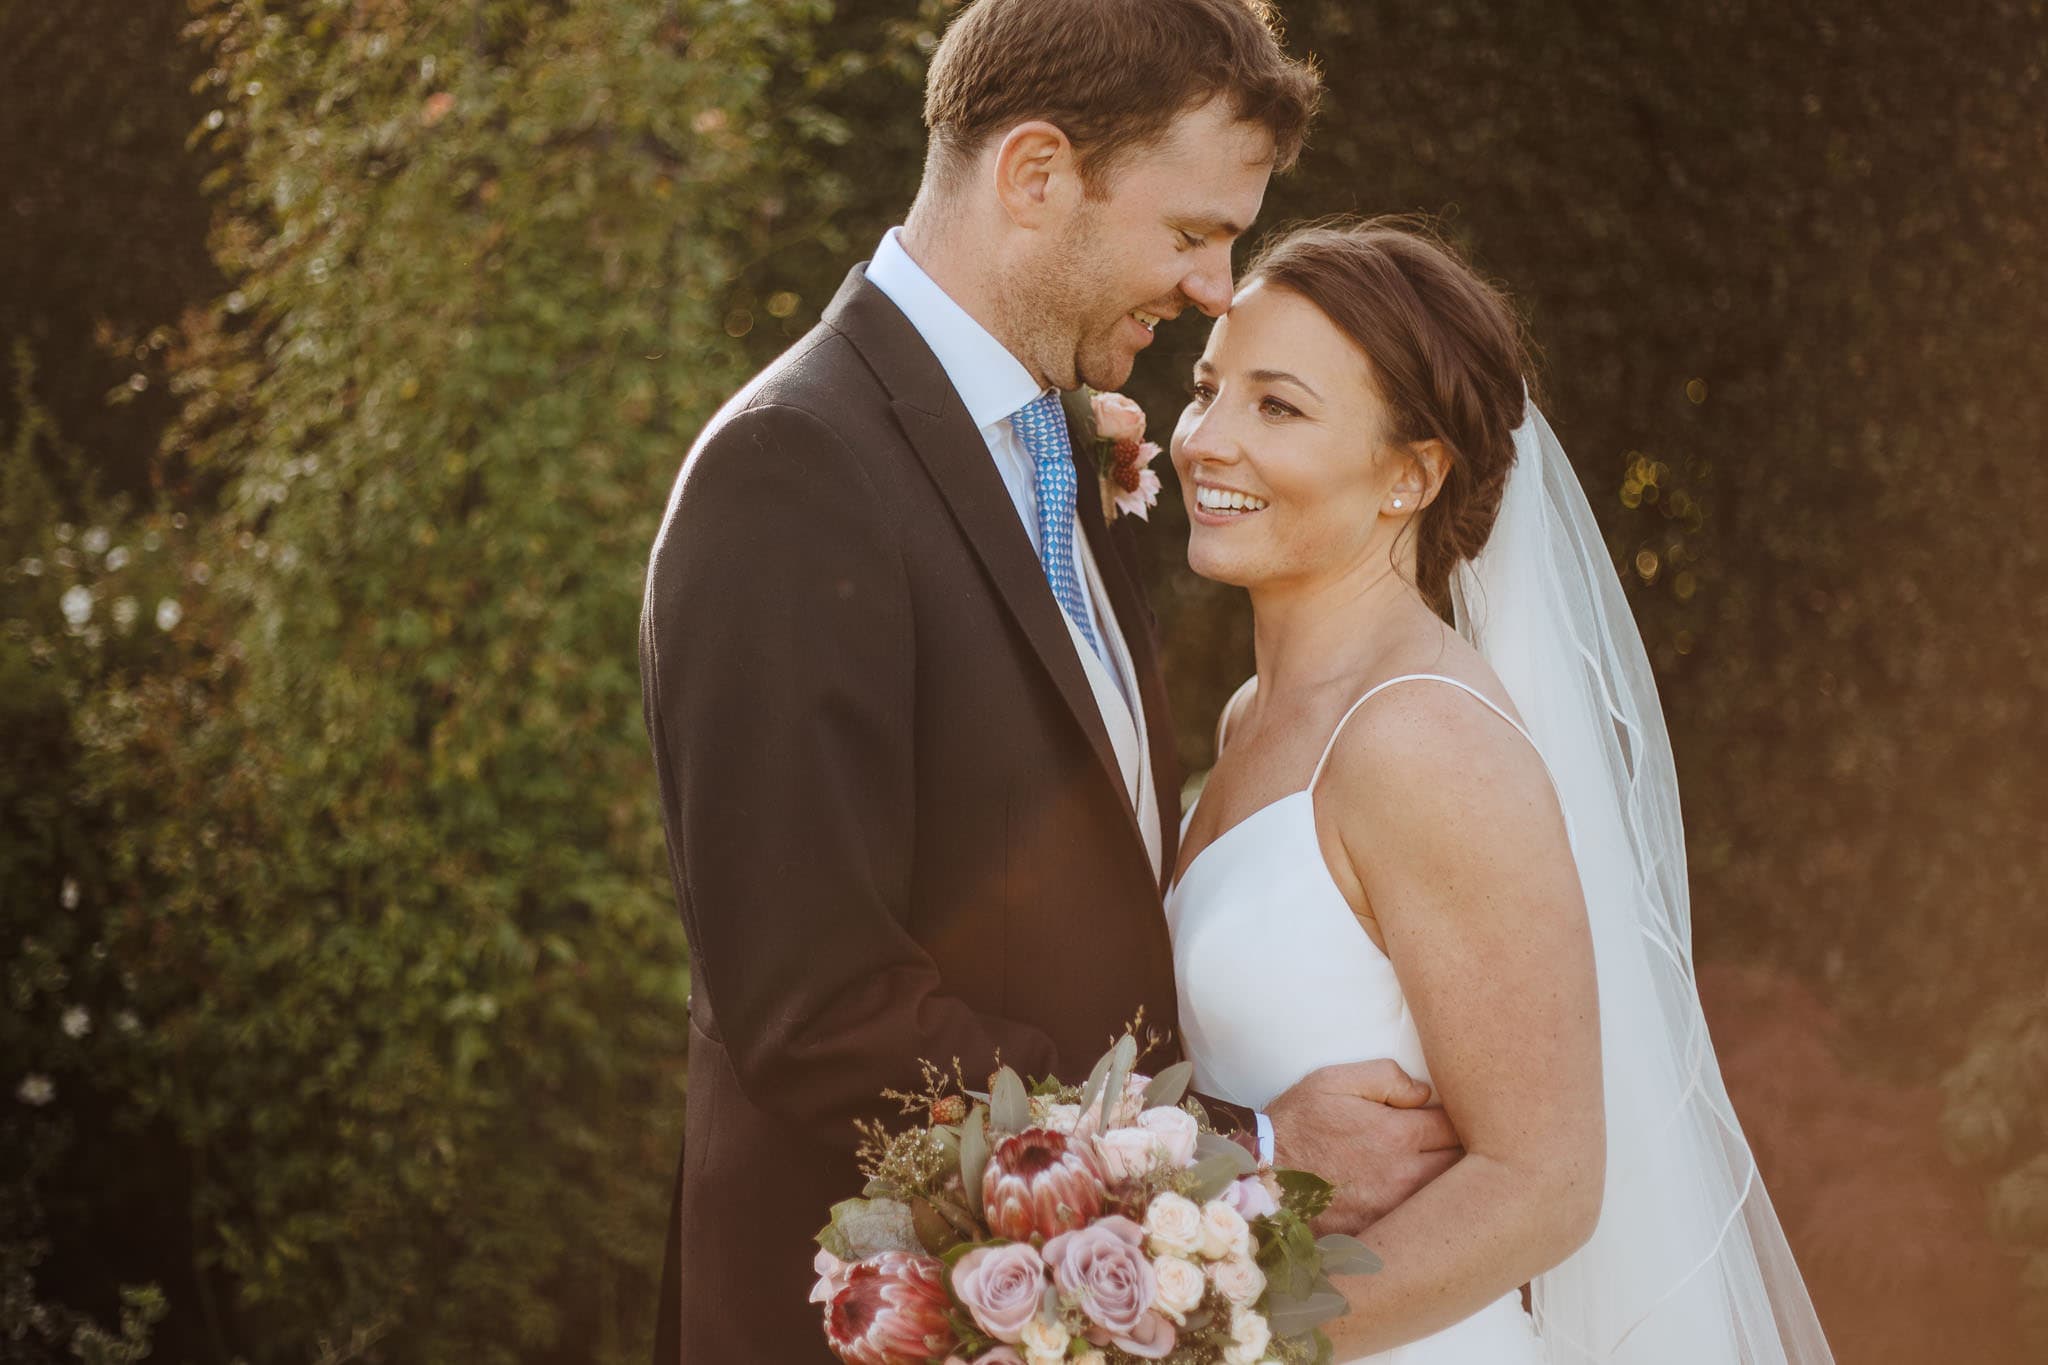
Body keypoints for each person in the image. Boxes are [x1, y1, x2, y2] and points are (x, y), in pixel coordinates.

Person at [638, 5, 1449, 1360]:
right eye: (1191, 232)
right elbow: (818, 1011)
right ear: (1035, 176)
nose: (1214, 288)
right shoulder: (790, 475)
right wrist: (1224, 1153)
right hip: (873, 1321)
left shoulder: (1050, 453)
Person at [1166, 217, 1835, 1362]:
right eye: (1205, 390)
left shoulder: (1420, 739)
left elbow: (1542, 1186)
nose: (1204, 441)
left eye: (1277, 407)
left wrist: (1233, 1339)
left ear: (1410, 476)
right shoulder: (1249, 719)